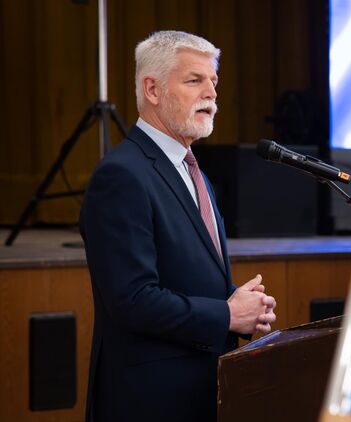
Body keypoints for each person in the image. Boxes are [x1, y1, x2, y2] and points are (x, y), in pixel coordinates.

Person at [80, 31, 276, 422]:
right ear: (152, 89)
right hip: (149, 401)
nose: (211, 93)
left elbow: (185, 277)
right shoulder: (122, 175)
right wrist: (226, 314)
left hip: (202, 392)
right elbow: (132, 300)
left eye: (213, 81)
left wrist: (241, 304)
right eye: (194, 80)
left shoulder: (194, 172)